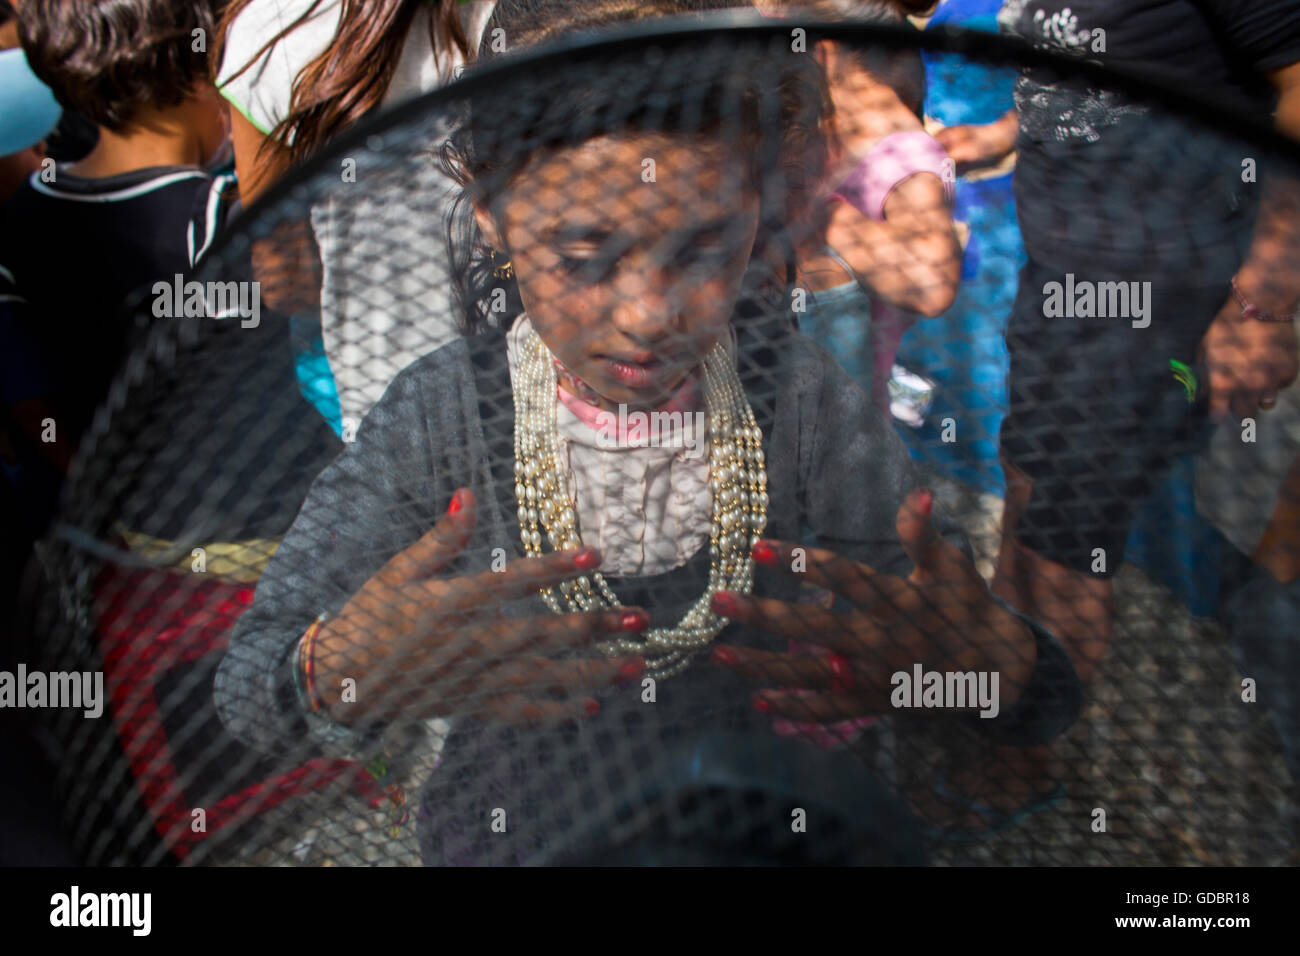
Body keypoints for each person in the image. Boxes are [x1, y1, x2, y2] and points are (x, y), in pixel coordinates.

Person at [214, 0, 1080, 863]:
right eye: (584, 258)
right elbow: (248, 688)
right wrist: (333, 670)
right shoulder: (440, 417)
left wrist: (987, 668)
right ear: (492, 215)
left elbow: (995, 661)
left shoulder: (798, 397)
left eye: (706, 250)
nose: (647, 316)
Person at [937, 0, 1300, 821]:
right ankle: (1007, 695)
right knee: (1027, 491)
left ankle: (1019, 765)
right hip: (1064, 273)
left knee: (1068, 543)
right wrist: (1006, 132)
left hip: (1160, 298)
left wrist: (1267, 305)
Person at [214, 0, 496, 435]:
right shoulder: (519, 16)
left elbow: (284, 281)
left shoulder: (270, 31)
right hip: (547, 382)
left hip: (383, 411)